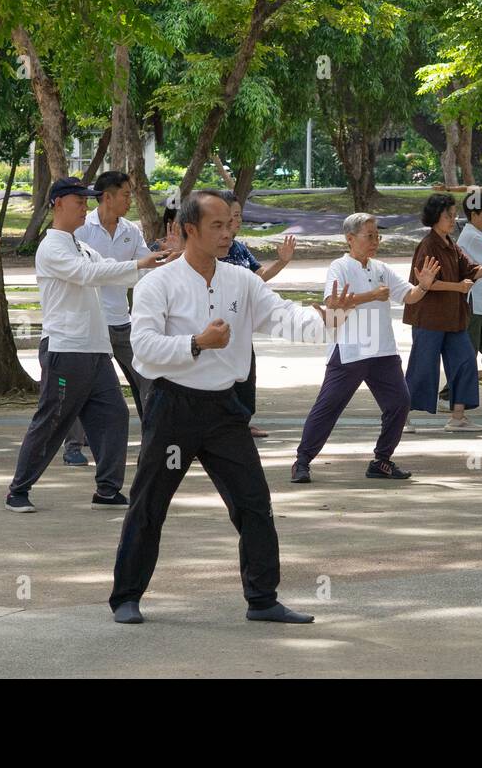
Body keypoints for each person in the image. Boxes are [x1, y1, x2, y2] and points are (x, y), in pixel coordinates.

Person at [109, 190, 352, 625]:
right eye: (217, 226)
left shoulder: (242, 280)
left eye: (230, 224)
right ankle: (126, 596)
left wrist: (328, 319)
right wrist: (196, 343)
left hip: (224, 408)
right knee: (149, 504)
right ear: (189, 230)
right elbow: (142, 347)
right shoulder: (158, 283)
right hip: (173, 408)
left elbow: (285, 319)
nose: (227, 233)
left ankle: (262, 598)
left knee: (254, 503)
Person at [3, 178, 179, 513]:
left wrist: (166, 261)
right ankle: (18, 489)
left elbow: (116, 273)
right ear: (57, 204)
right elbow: (88, 274)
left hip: (96, 351)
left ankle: (108, 490)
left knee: (113, 416)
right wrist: (141, 263)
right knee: (52, 420)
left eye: (86, 203)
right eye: (78, 202)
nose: (85, 208)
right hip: (66, 350)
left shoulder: (81, 246)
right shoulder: (52, 247)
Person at [291, 213, 440, 484]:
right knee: (328, 407)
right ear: (350, 239)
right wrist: (371, 295)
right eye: (369, 236)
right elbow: (333, 304)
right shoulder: (340, 266)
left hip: (383, 350)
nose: (375, 241)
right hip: (350, 348)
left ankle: (381, 461)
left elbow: (409, 296)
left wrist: (424, 286)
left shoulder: (381, 267)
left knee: (399, 403)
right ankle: (302, 462)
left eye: (377, 236)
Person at [58, 171, 156, 467]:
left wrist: (167, 260)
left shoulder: (131, 230)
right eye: (126, 194)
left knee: (147, 379)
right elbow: (85, 272)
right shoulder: (82, 231)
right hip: (89, 325)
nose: (130, 200)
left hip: (121, 321)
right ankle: (73, 446)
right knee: (79, 387)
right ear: (108, 197)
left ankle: (153, 441)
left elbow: (144, 270)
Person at [403, 193, 482, 433]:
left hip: (453, 317)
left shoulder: (451, 245)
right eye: (448, 215)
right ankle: (401, 416)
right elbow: (426, 283)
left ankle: (458, 417)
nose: (453, 218)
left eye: (453, 214)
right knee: (422, 367)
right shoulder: (428, 245)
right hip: (430, 318)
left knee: (466, 361)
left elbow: (468, 270)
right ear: (436, 217)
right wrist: (458, 286)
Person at [218, 190, 296, 438]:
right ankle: (220, 427)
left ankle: (241, 423)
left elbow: (258, 276)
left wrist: (281, 262)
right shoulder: (210, 250)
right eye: (234, 216)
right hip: (216, 327)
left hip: (241, 326)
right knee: (219, 379)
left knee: (246, 375)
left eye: (240, 216)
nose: (238, 221)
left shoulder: (239, 248)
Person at [437, 191, 482, 410]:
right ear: (473, 214)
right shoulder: (472, 237)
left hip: (481, 305)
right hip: (472, 303)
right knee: (468, 352)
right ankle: (448, 396)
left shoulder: (475, 235)